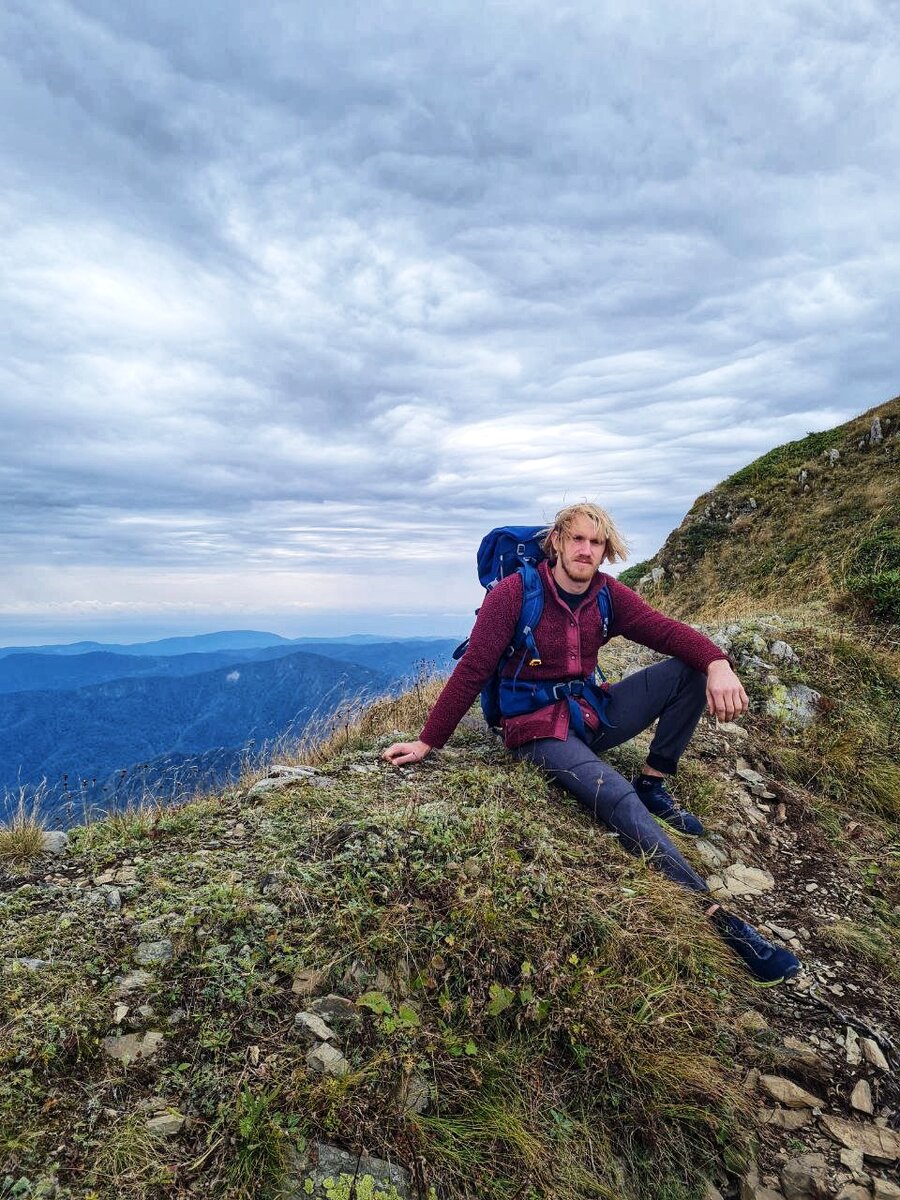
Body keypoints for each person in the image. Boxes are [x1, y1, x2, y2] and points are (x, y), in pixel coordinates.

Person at [383, 502, 800, 983]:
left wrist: (717, 662)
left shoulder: (607, 594)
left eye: (596, 542)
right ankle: (719, 920)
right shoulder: (515, 595)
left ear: (605, 551)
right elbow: (473, 669)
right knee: (614, 797)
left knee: (687, 672)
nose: (586, 550)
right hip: (535, 729)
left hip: (588, 711)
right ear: (557, 541)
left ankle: (654, 782)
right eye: (577, 539)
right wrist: (427, 742)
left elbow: (665, 632)